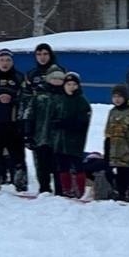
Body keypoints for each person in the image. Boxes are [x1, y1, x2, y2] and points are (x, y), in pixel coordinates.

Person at [0, 49, 29, 192]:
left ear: (12, 62)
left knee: (17, 157)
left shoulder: (19, 77)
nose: (5, 63)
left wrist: (13, 99)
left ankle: (21, 183)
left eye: (8, 60)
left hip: (13, 124)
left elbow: (27, 99)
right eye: (2, 60)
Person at [23, 42, 61, 194]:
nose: (42, 57)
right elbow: (25, 99)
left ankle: (60, 187)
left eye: (45, 54)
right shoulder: (31, 75)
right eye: (39, 54)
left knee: (57, 157)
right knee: (40, 157)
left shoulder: (60, 71)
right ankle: (44, 187)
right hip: (38, 122)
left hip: (56, 122)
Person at [50, 70, 92, 199]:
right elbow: (52, 117)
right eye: (68, 84)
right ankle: (66, 189)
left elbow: (83, 122)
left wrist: (66, 123)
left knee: (77, 165)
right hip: (60, 140)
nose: (71, 87)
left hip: (75, 140)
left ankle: (79, 191)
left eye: (74, 84)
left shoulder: (81, 101)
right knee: (62, 166)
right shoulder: (59, 99)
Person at [103, 83, 129, 202]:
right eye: (114, 97)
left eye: (119, 96)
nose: (117, 99)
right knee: (119, 171)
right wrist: (107, 147)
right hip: (115, 147)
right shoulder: (112, 112)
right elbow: (108, 132)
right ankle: (120, 192)